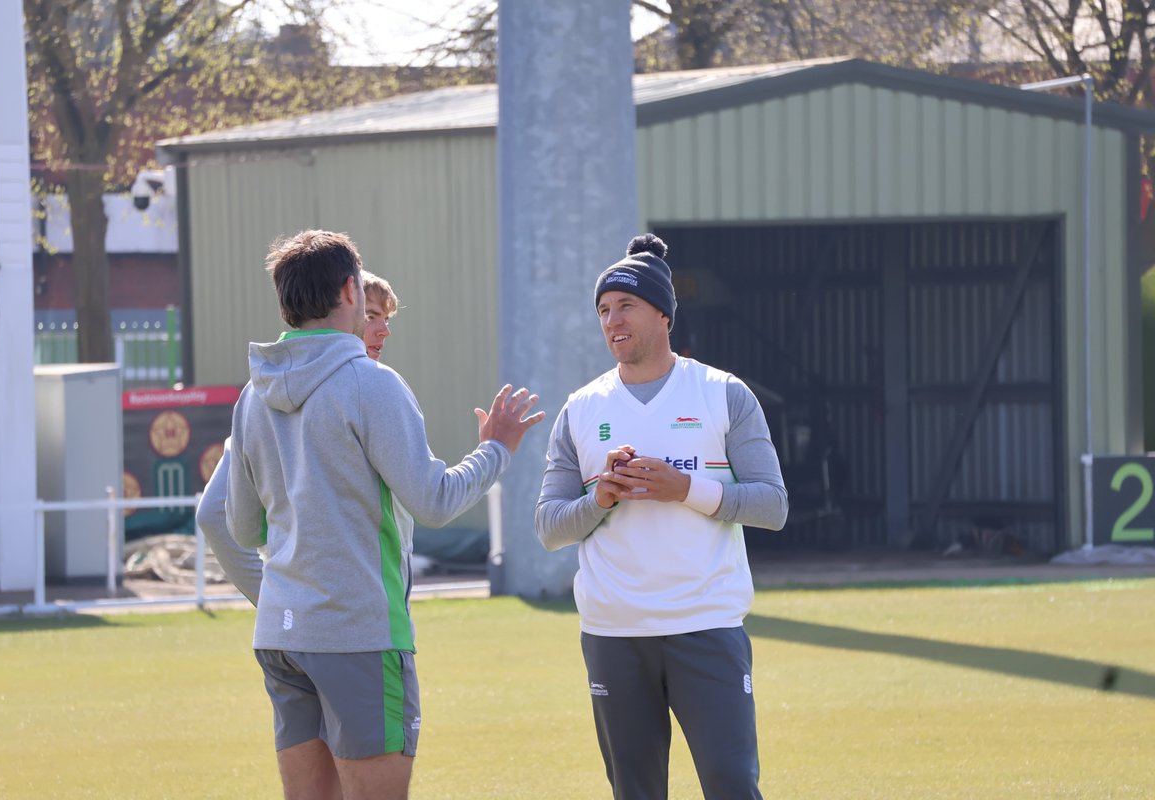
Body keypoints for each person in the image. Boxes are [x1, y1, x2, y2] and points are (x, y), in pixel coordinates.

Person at [225, 230, 544, 800]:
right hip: (358, 634)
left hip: (281, 635)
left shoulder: (251, 396)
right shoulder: (371, 383)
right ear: (350, 289)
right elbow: (436, 501)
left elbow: (244, 528)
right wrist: (496, 449)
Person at [534, 233, 788, 800]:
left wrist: (685, 488)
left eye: (625, 305)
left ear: (663, 314)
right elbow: (550, 526)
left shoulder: (724, 394)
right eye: (603, 309)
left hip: (706, 624)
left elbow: (772, 505)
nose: (612, 320)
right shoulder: (582, 408)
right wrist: (602, 497)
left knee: (731, 784)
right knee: (636, 791)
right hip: (614, 632)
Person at [196, 270, 403, 605]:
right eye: (370, 315)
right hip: (356, 627)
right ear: (344, 312)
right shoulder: (372, 391)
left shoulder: (259, 394)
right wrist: (493, 451)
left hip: (288, 628)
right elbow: (433, 500)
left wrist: (276, 603)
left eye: (387, 318)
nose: (384, 330)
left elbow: (212, 514)